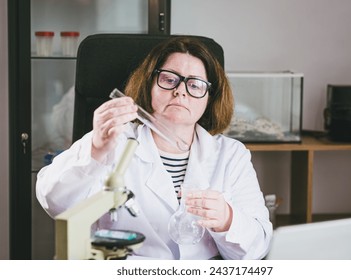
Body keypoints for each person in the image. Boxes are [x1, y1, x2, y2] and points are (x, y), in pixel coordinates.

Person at [36, 36, 273, 260]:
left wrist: (227, 219)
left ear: (209, 97)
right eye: (170, 79)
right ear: (150, 84)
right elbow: (54, 201)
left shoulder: (231, 155)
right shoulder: (114, 141)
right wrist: (96, 150)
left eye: (196, 84)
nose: (180, 91)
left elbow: (256, 249)